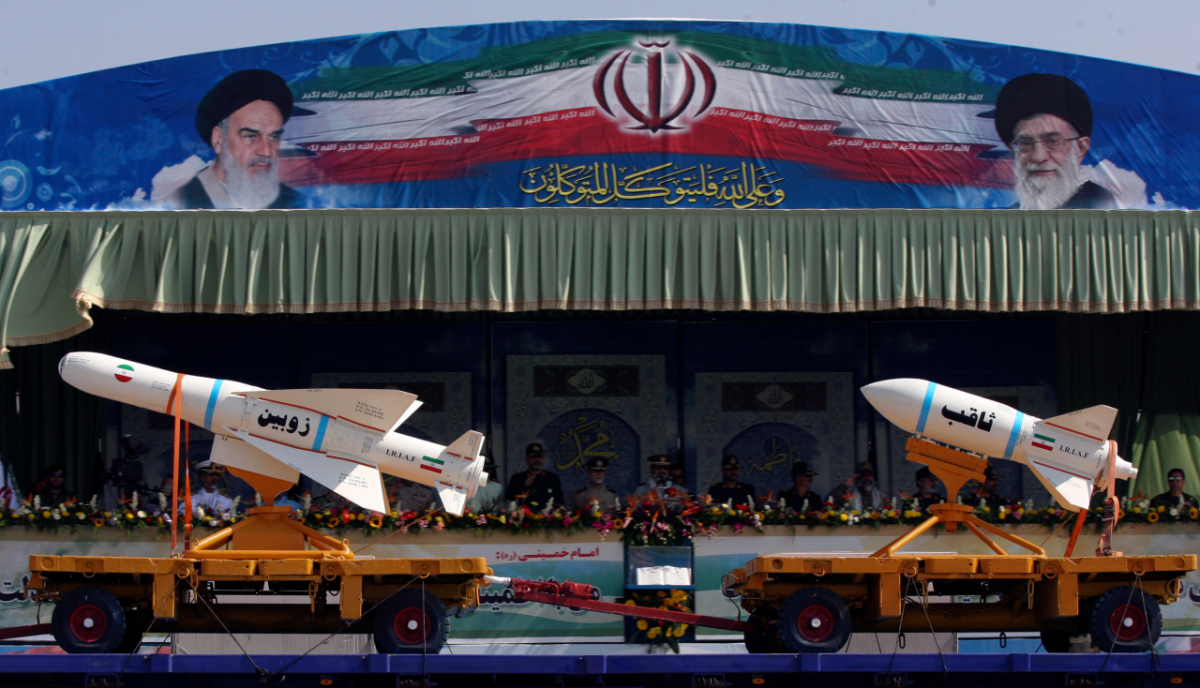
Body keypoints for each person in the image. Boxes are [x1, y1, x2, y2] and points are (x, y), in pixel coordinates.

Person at [163, 69, 304, 210]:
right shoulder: (179, 202)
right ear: (218, 139)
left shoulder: (296, 202)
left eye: (274, 137)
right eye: (251, 136)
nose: (266, 151)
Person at [994, 73, 1116, 210]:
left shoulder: (1107, 207)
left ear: (1080, 148)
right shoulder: (1009, 216)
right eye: (1026, 144)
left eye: (1052, 142)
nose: (1038, 157)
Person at [504, 443, 563, 510]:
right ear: (527, 460)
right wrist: (524, 486)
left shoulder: (552, 478)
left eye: (540, 456)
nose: (537, 459)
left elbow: (559, 501)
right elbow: (509, 496)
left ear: (543, 458)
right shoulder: (518, 478)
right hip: (525, 515)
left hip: (547, 515)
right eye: (533, 457)